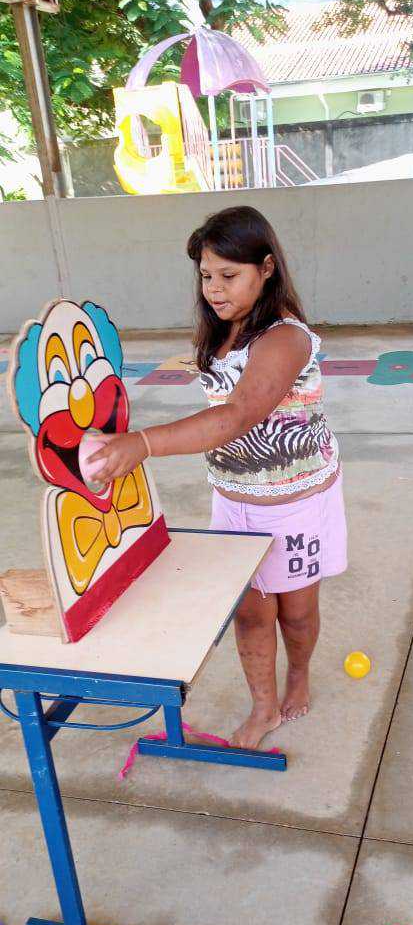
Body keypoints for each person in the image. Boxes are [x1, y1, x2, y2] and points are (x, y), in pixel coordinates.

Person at [89, 206, 347, 749]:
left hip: (296, 504)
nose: (214, 288)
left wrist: (145, 444)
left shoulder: (286, 338)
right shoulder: (222, 332)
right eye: (206, 275)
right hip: (234, 499)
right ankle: (264, 706)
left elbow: (238, 415)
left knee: (297, 613)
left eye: (229, 275)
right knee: (250, 614)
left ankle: (299, 675)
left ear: (267, 268)